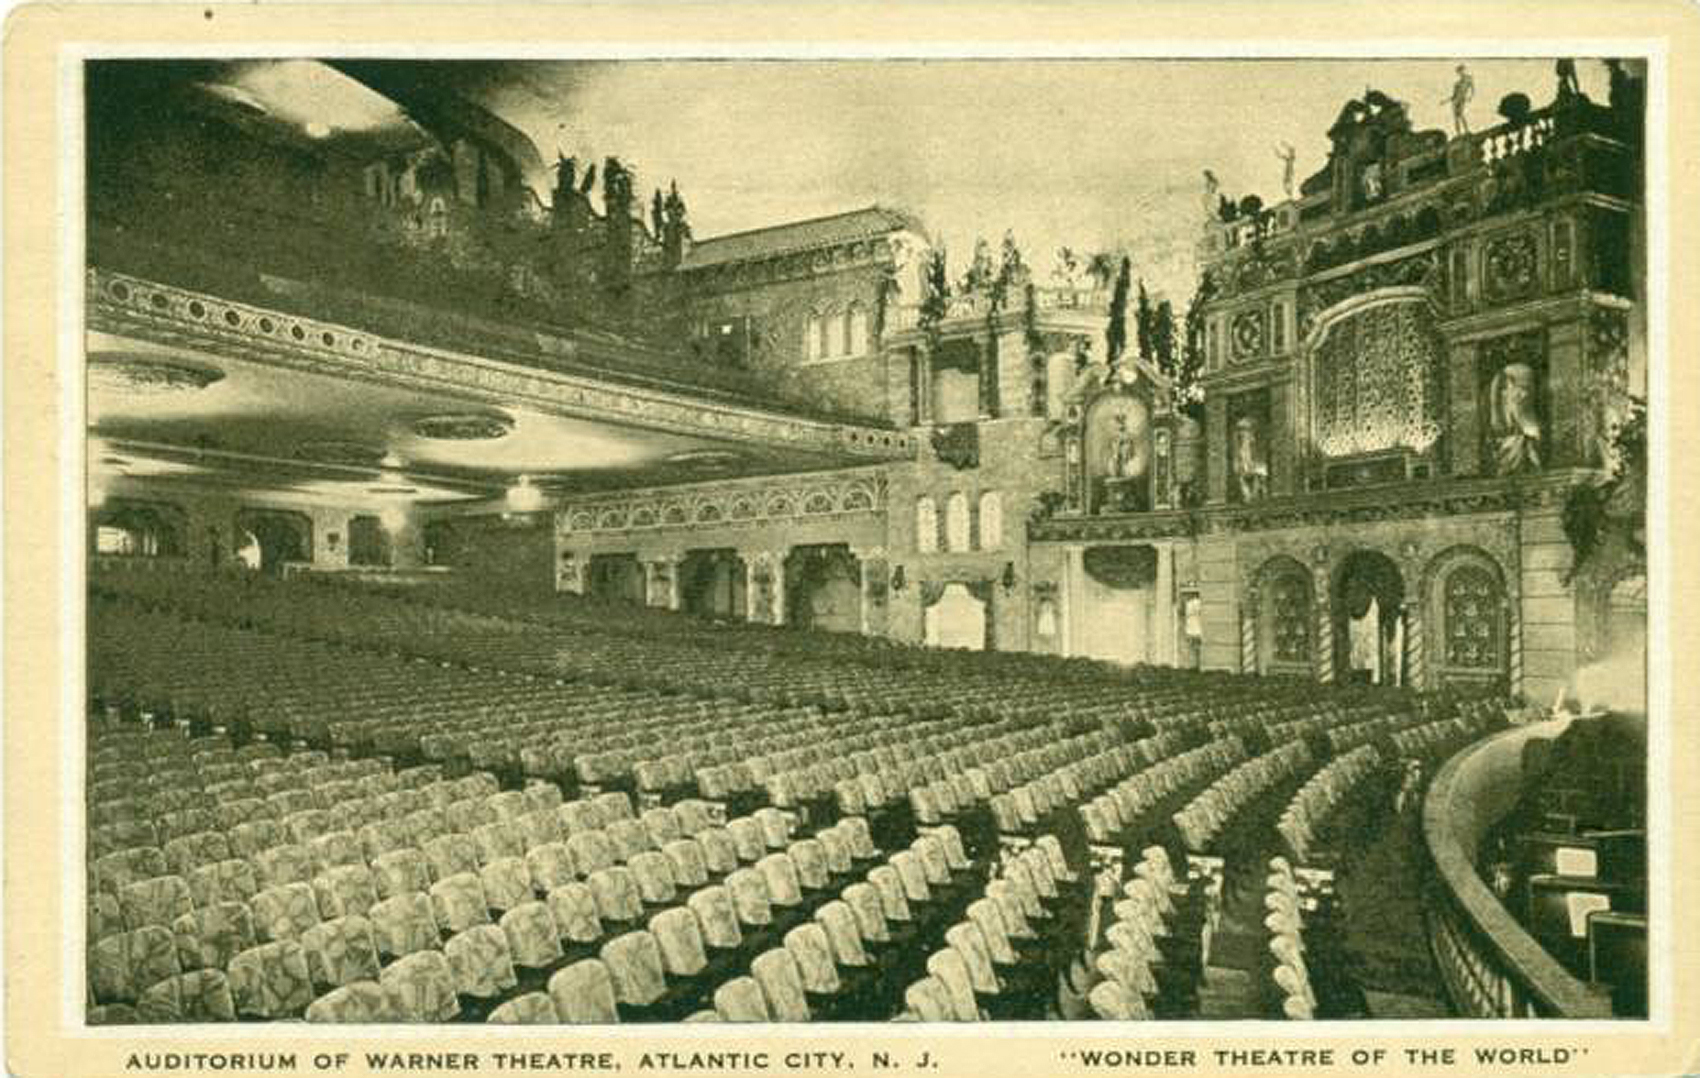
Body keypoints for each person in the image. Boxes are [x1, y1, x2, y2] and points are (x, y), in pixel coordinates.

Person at [1446, 64, 1475, 136]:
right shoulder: (1457, 83)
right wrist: (1445, 101)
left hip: (1462, 99)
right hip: (1455, 101)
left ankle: (1466, 131)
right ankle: (1458, 134)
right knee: (1456, 118)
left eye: (1461, 71)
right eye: (1458, 72)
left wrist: (1470, 97)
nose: (1460, 73)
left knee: (1461, 115)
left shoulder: (1469, 78)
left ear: (1464, 70)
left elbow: (1472, 88)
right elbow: (1453, 95)